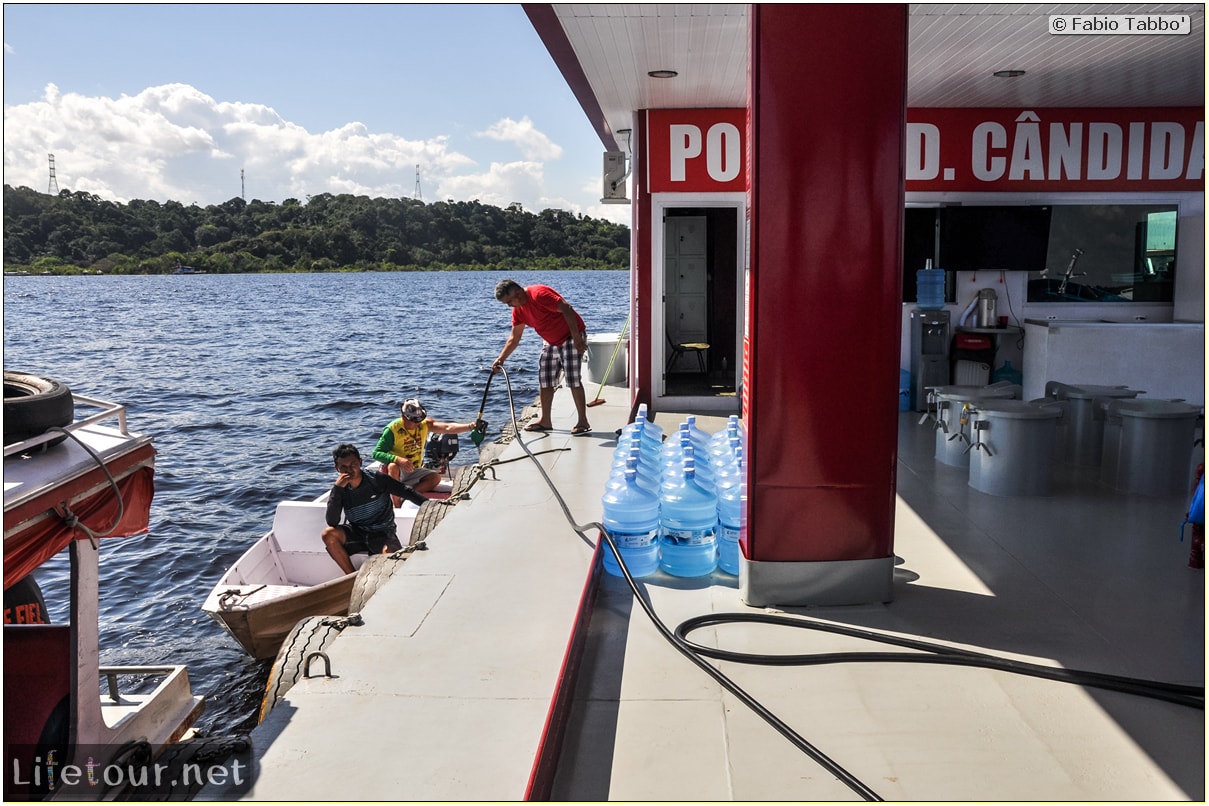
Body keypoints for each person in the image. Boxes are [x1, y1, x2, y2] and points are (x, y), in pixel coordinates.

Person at [491, 279, 591, 435]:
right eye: (506, 303)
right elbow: (515, 337)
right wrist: (501, 359)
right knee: (545, 379)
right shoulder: (518, 310)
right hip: (551, 341)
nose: (509, 306)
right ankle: (545, 421)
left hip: (570, 337)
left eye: (510, 301)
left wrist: (577, 337)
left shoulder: (539, 295)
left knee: (572, 379)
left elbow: (567, 309)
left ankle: (582, 421)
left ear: (518, 292)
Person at [321, 443, 428, 575]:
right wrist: (337, 490)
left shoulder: (377, 479)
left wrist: (430, 506)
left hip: (383, 532)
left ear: (360, 462)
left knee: (390, 555)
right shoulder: (339, 490)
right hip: (357, 532)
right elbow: (332, 522)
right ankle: (351, 577)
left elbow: (406, 492)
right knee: (328, 534)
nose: (349, 470)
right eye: (344, 467)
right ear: (337, 468)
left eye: (353, 464)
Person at [373, 398, 476, 497]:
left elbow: (447, 427)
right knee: (393, 466)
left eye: (419, 420)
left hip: (414, 469)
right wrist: (398, 460)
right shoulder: (392, 429)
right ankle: (397, 503)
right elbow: (376, 453)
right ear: (404, 417)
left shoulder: (424, 424)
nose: (417, 423)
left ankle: (409, 495)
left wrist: (470, 426)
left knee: (435, 478)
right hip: (396, 471)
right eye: (413, 421)